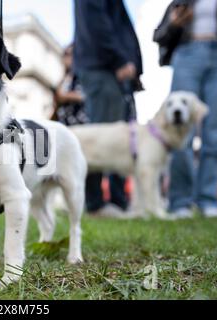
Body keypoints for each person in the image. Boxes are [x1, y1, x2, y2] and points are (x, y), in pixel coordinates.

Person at [154, 0, 217, 218]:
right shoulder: (181, 0)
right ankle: (180, 202)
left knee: (214, 132)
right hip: (187, 54)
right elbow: (160, 34)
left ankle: (207, 199)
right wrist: (175, 23)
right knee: (180, 131)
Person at [73, 0, 143, 216]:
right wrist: (119, 59)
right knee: (102, 139)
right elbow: (96, 22)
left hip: (110, 69)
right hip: (105, 67)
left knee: (113, 138)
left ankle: (115, 201)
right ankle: (97, 204)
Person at [50, 44, 88, 126]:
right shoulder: (64, 79)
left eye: (71, 54)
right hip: (62, 124)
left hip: (79, 124)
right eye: (66, 54)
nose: (67, 58)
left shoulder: (83, 75)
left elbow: (86, 96)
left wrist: (65, 96)